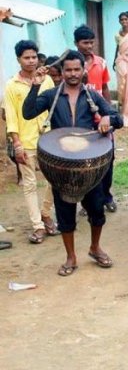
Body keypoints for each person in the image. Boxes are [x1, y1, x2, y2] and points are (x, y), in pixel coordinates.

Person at [23, 50, 123, 276]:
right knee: (65, 214)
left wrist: (109, 119)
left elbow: (119, 118)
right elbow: (28, 113)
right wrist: (35, 85)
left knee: (97, 211)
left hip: (89, 166)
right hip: (62, 167)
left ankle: (95, 248)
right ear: (62, 72)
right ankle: (71, 257)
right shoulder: (51, 95)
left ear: (83, 70)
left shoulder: (92, 96)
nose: (72, 74)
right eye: (68, 70)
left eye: (77, 69)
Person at [4, 40, 59, 244]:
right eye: (26, 57)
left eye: (34, 57)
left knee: (54, 180)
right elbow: (11, 117)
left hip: (48, 138)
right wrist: (16, 143)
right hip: (25, 141)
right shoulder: (12, 85)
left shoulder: (46, 81)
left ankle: (46, 213)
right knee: (29, 184)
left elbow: (53, 109)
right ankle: (37, 226)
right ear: (18, 59)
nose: (31, 61)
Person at [74, 25, 117, 213]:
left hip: (102, 119)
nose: (89, 46)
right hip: (82, 119)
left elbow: (105, 87)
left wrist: (108, 112)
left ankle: (107, 196)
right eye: (85, 42)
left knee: (107, 159)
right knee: (85, 162)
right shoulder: (71, 64)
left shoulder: (101, 62)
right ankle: (87, 200)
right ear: (76, 44)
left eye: (92, 42)